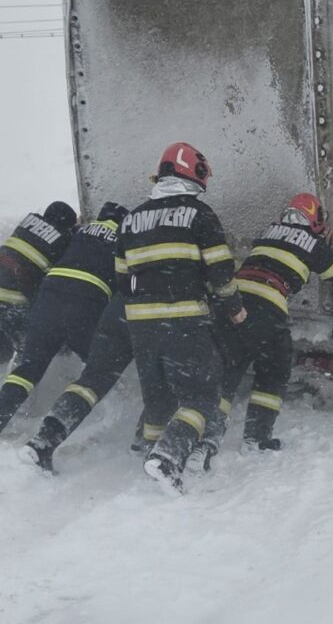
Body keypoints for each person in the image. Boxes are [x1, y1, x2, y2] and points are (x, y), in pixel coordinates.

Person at [116, 142, 246, 495]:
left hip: (141, 325)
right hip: (184, 321)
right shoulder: (199, 214)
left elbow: (122, 279)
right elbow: (220, 269)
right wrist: (233, 306)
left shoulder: (130, 219)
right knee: (201, 398)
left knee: (158, 397)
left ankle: (149, 451)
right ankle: (168, 457)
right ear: (194, 172)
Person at [187, 193, 333, 472]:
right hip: (268, 308)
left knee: (228, 371)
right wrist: (326, 246)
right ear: (315, 219)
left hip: (233, 304)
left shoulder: (269, 231)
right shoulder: (312, 242)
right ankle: (256, 438)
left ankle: (207, 440)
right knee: (274, 371)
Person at [0, 202, 128, 437]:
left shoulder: (79, 233)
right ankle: (107, 422)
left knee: (29, 367)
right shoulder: (124, 239)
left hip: (48, 300)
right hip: (84, 306)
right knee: (100, 369)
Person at [0, 202, 77, 384]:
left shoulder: (28, 224)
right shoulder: (63, 241)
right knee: (32, 349)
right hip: (6, 294)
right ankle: (17, 398)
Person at [20, 291, 133, 471]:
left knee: (92, 380)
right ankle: (151, 451)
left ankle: (43, 442)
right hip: (161, 313)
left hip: (119, 308)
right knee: (162, 388)